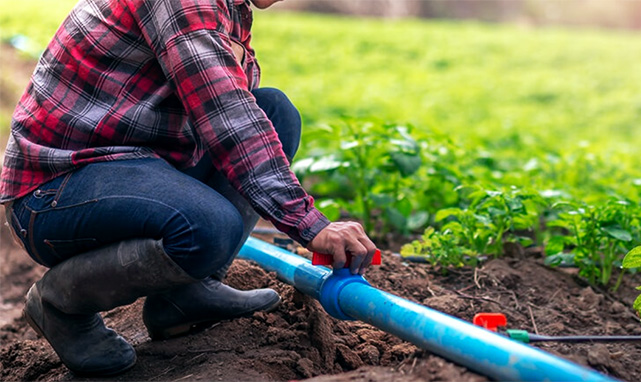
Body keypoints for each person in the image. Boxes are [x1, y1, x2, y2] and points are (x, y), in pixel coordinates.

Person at [0, 0, 377, 377]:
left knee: (274, 111)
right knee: (209, 228)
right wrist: (310, 224)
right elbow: (227, 116)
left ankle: (185, 296)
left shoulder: (231, 6)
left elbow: (234, 106)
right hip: (55, 188)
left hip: (134, 162)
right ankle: (60, 305)